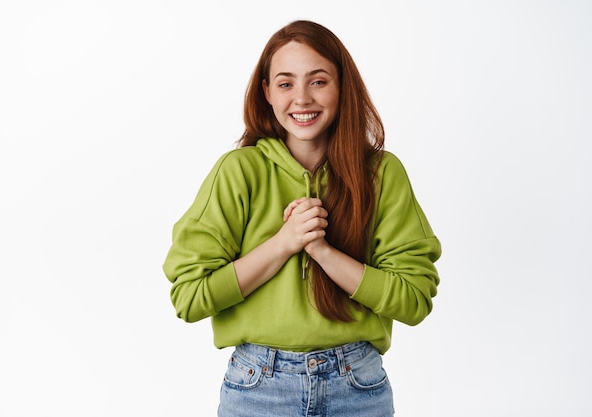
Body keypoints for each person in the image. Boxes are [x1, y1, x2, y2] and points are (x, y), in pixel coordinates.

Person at [163, 19, 441, 417]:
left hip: (357, 386)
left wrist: (322, 252)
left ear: (343, 86)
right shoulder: (239, 171)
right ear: (267, 93)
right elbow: (189, 297)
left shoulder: (382, 174)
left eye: (319, 81)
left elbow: (413, 300)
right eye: (286, 83)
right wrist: (284, 243)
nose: (302, 99)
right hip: (257, 388)